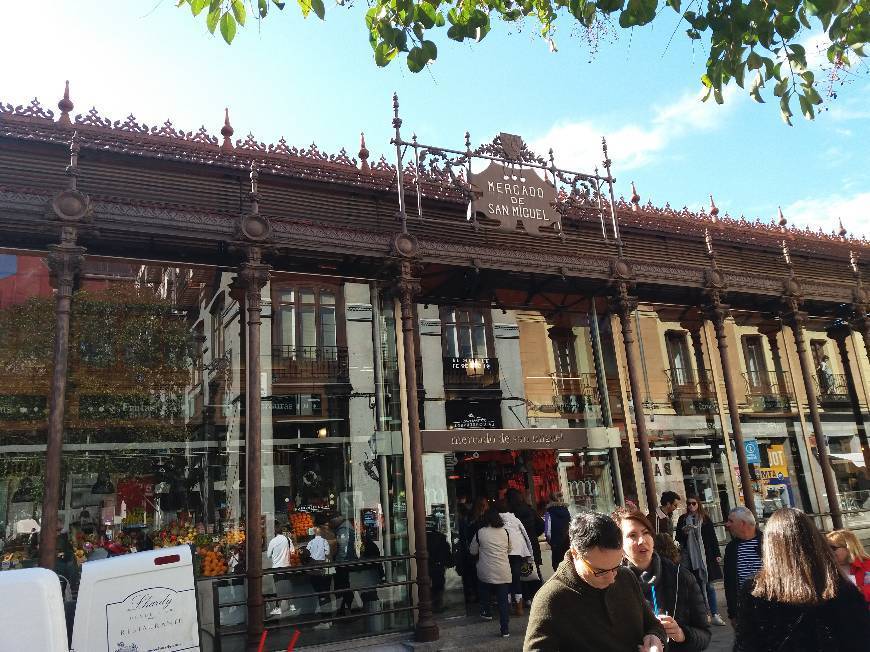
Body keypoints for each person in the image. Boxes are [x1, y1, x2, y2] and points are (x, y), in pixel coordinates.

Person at [524, 511, 666, 652]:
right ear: (575, 554)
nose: (611, 579)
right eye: (601, 571)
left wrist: (655, 638)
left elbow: (653, 624)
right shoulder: (551, 598)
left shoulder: (626, 576)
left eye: (616, 567)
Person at [734, 507, 870, 651]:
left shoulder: (756, 590)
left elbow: (746, 644)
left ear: (770, 546)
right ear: (814, 541)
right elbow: (860, 640)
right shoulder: (838, 586)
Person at [614, 508, 711, 651]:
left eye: (646, 532)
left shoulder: (680, 577)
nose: (642, 540)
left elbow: (704, 635)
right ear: (619, 544)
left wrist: (681, 634)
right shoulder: (611, 582)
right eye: (632, 535)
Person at [675, 496, 725, 625]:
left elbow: (712, 537)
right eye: (689, 504)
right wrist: (685, 533)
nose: (691, 506)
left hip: (705, 557)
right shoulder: (683, 519)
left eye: (693, 503)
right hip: (689, 557)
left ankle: (714, 613)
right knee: (694, 586)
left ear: (698, 504)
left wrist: (717, 553)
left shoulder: (705, 519)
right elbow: (678, 537)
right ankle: (703, 615)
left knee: (709, 585)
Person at [468, 507, 513, 638]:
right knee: (503, 601)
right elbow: (510, 549)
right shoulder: (505, 532)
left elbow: (472, 551)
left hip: (486, 570)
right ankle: (505, 630)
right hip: (503, 570)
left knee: (484, 588)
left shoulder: (480, 532)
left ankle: (486, 611)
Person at [723, 506, 763, 626]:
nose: (727, 525)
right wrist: (733, 614)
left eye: (731, 521)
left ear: (743, 524)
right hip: (745, 609)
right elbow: (729, 583)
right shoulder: (731, 548)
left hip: (769, 606)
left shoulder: (768, 542)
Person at [498, 499, 535, 616]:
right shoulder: (515, 519)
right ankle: (519, 608)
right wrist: (531, 556)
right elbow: (526, 537)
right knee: (517, 578)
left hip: (503, 552)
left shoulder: (496, 521)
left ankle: (509, 605)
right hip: (518, 552)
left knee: (506, 579)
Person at [506, 488, 544, 603]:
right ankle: (538, 597)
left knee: (519, 574)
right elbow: (541, 525)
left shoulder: (510, 515)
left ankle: (525, 598)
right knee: (534, 571)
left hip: (517, 548)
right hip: (532, 544)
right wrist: (533, 535)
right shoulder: (530, 510)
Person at [827, 529, 870, 603]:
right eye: (826, 548)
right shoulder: (827, 568)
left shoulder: (867, 565)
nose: (828, 551)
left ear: (848, 548)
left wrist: (856, 591)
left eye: (833, 548)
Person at [266, 521, 295, 617]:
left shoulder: (273, 541)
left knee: (278, 588)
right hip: (287, 566)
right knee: (288, 586)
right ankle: (292, 606)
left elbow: (268, 555)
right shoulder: (287, 539)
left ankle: (278, 608)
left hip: (277, 568)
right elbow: (292, 551)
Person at [426, 518, 453, 612]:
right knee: (438, 585)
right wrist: (449, 562)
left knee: (425, 585)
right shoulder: (440, 537)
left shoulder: (420, 536)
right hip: (438, 565)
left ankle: (427, 605)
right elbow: (445, 551)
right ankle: (437, 605)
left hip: (425, 565)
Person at [544, 492, 571, 572]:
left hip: (556, 543)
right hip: (566, 542)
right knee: (568, 562)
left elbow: (547, 532)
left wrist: (551, 542)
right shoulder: (566, 511)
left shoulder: (548, 513)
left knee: (557, 565)